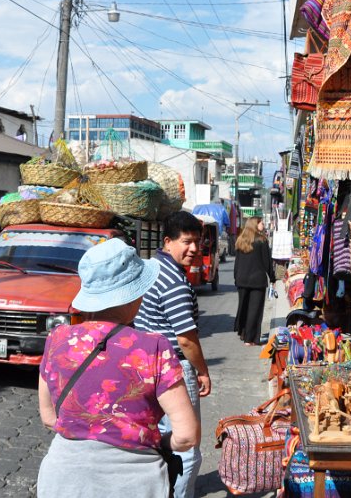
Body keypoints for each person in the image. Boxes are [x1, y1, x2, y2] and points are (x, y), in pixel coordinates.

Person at [37, 238, 199, 498]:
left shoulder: (57, 339)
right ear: (132, 295)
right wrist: (157, 441)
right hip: (134, 483)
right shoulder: (153, 347)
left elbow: (48, 418)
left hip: (62, 480)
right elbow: (187, 435)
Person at [134, 211, 210, 498]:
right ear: (168, 242)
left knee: (157, 438)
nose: (194, 249)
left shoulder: (150, 268)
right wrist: (203, 371)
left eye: (197, 242)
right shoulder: (175, 283)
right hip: (173, 369)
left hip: (145, 365)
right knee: (187, 445)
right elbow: (187, 340)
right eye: (187, 242)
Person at [233, 216, 275, 346]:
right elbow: (267, 262)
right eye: (261, 223)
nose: (263, 225)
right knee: (254, 310)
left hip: (242, 279)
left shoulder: (241, 240)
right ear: (255, 224)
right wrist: (272, 278)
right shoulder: (262, 240)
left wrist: (236, 277)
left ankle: (243, 333)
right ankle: (250, 339)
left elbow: (237, 262)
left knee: (243, 306)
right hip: (257, 280)